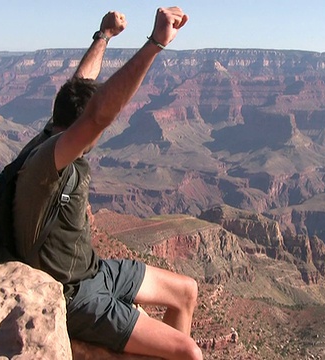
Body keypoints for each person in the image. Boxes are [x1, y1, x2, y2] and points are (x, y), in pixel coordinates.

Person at [12, 7, 202, 360]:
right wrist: (155, 44)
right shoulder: (51, 160)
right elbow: (99, 111)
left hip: (93, 271)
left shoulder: (53, 129)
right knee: (189, 353)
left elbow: (79, 86)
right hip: (74, 294)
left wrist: (104, 36)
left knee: (187, 291)